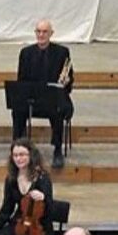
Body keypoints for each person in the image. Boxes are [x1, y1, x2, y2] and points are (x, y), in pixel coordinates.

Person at [12, 20, 74, 169]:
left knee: (58, 109)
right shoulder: (26, 53)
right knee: (17, 109)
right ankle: (19, 148)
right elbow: (21, 81)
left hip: (53, 98)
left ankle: (57, 149)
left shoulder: (62, 52)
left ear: (51, 34)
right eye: (38, 31)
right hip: (33, 97)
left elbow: (69, 80)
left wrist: (66, 81)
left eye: (45, 32)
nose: (41, 35)